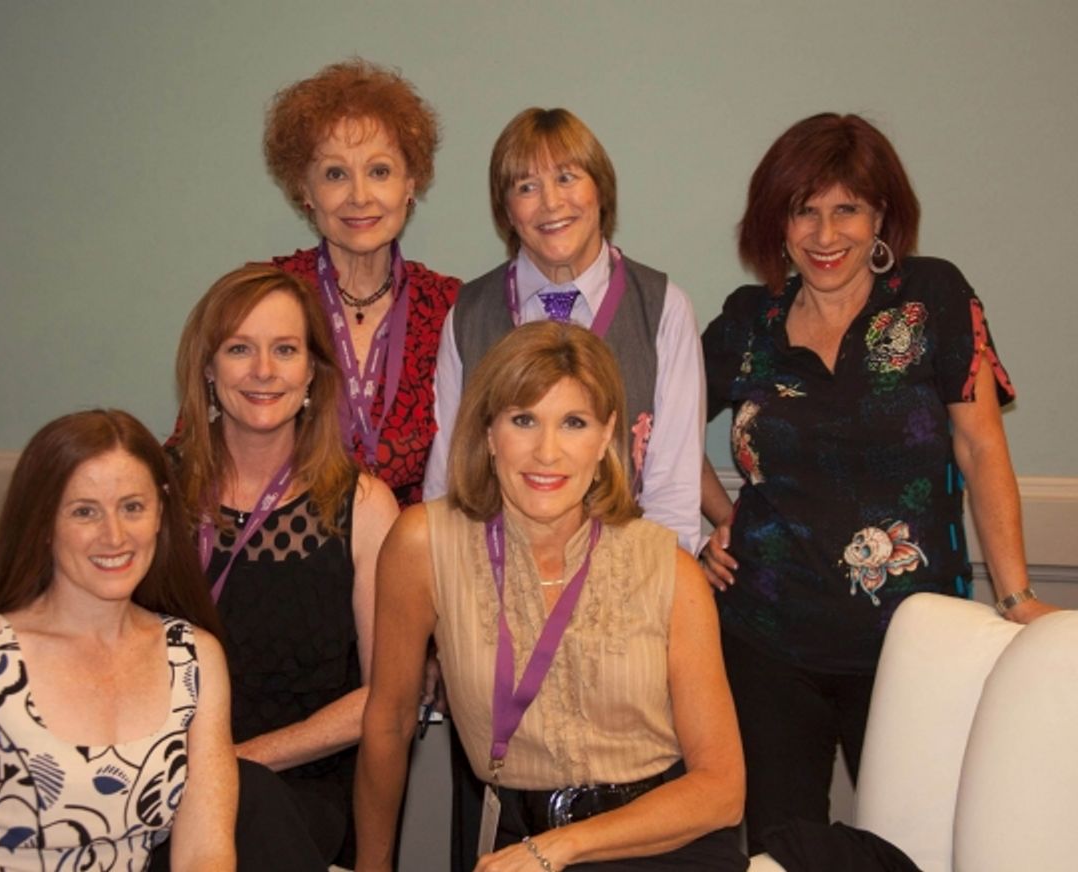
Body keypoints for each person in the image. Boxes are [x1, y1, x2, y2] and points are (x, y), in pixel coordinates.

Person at [0, 265, 400, 869]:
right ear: (208, 368)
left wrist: (228, 765)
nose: (263, 370)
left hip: (294, 785)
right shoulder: (149, 489)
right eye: (239, 349)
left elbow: (388, 697)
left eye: (285, 349)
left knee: (245, 802)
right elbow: (56, 599)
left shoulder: (361, 506)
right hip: (137, 775)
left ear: (312, 370)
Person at [699, 112, 1057, 852]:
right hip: (768, 644)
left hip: (917, 647)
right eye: (804, 211)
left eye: (846, 210)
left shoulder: (935, 298)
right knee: (779, 855)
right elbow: (652, 435)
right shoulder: (747, 321)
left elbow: (981, 446)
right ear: (778, 222)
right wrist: (711, 519)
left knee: (912, 853)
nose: (825, 235)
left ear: (881, 215)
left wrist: (1016, 594)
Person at [355, 321, 746, 872]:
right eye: (523, 420)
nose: (547, 452)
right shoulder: (424, 543)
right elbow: (389, 722)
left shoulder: (671, 571)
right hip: (512, 840)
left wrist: (562, 847)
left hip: (661, 844)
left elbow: (722, 789)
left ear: (606, 435)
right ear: (489, 432)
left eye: (573, 423)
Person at [0, 409, 236, 871]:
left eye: (132, 507)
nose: (114, 536)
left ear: (161, 511)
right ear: (43, 524)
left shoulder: (195, 658)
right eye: (85, 512)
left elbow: (207, 854)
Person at [423, 107, 704, 553]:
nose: (551, 203)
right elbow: (447, 484)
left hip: (623, 585)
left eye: (567, 178)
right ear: (507, 211)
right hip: (493, 580)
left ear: (601, 190)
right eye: (526, 187)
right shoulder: (468, 314)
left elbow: (673, 496)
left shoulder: (664, 309)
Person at [261, 57, 460, 506]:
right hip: (286, 552)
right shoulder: (265, 298)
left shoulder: (452, 307)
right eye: (335, 174)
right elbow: (203, 443)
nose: (360, 196)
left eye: (380, 171)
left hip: (416, 558)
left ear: (411, 183)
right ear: (305, 191)